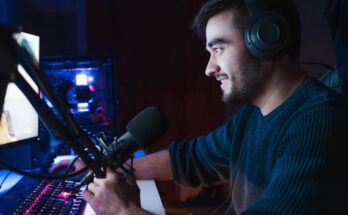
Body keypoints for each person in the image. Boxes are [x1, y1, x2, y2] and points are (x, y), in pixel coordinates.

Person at [52, 0, 348, 214]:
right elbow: (193, 158)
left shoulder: (319, 122)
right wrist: (102, 168)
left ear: (266, 40)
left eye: (218, 48)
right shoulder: (254, 115)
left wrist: (123, 211)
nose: (209, 68)